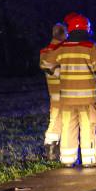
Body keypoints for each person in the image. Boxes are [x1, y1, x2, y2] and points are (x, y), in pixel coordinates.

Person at [47, 12, 96, 167]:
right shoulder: (91, 47)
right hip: (87, 98)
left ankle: (67, 159)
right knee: (88, 127)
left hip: (67, 99)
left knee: (68, 127)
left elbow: (48, 65)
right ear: (87, 29)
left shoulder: (62, 47)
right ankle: (90, 159)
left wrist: (61, 75)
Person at [38, 22, 67, 160]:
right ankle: (58, 150)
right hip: (67, 91)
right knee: (67, 122)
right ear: (64, 34)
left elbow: (46, 66)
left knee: (55, 119)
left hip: (53, 93)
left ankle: (51, 149)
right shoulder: (64, 50)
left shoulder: (44, 51)